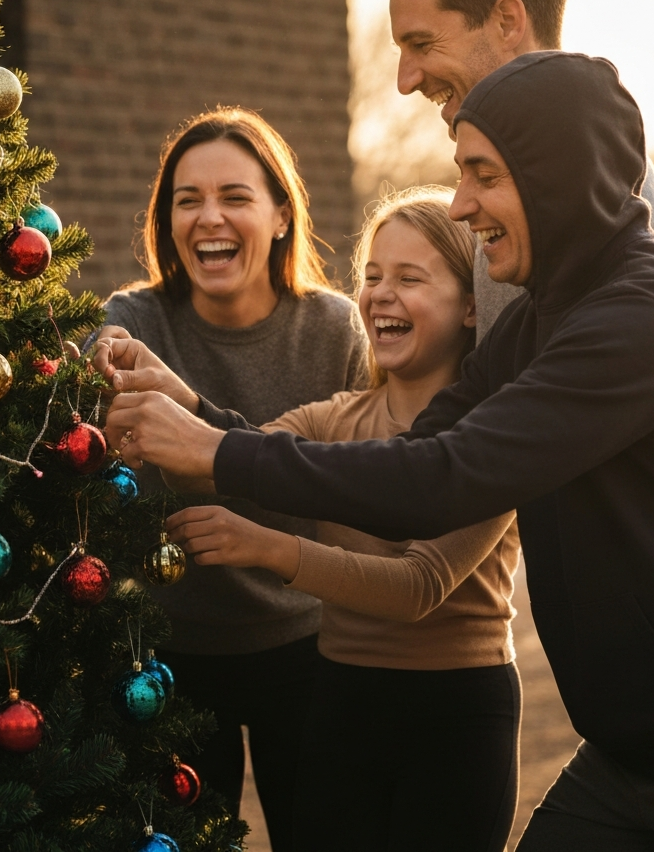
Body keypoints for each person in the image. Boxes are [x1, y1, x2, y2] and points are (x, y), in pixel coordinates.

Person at [103, 52, 654, 851]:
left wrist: (214, 454)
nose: (461, 202)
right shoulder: (542, 318)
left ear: (556, 177)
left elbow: (440, 480)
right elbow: (412, 447)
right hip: (623, 759)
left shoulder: (647, 322)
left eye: (483, 175)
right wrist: (195, 409)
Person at [153, 186, 521, 852]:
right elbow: (237, 452)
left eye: (410, 278)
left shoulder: (496, 436)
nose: (381, 293)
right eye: (373, 276)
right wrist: (164, 390)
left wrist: (266, 547)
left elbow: (416, 587)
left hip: (457, 715)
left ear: (472, 305)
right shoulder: (334, 419)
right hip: (340, 704)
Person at [97, 106, 367, 852]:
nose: (209, 217)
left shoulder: (337, 331)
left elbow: (347, 485)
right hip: (170, 660)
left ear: (281, 215)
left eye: (235, 197)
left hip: (311, 649)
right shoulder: (134, 321)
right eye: (188, 200)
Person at [374, 0, 654, 339]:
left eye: (422, 43)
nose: (406, 81)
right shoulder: (531, 183)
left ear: (507, 22)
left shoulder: (591, 186)